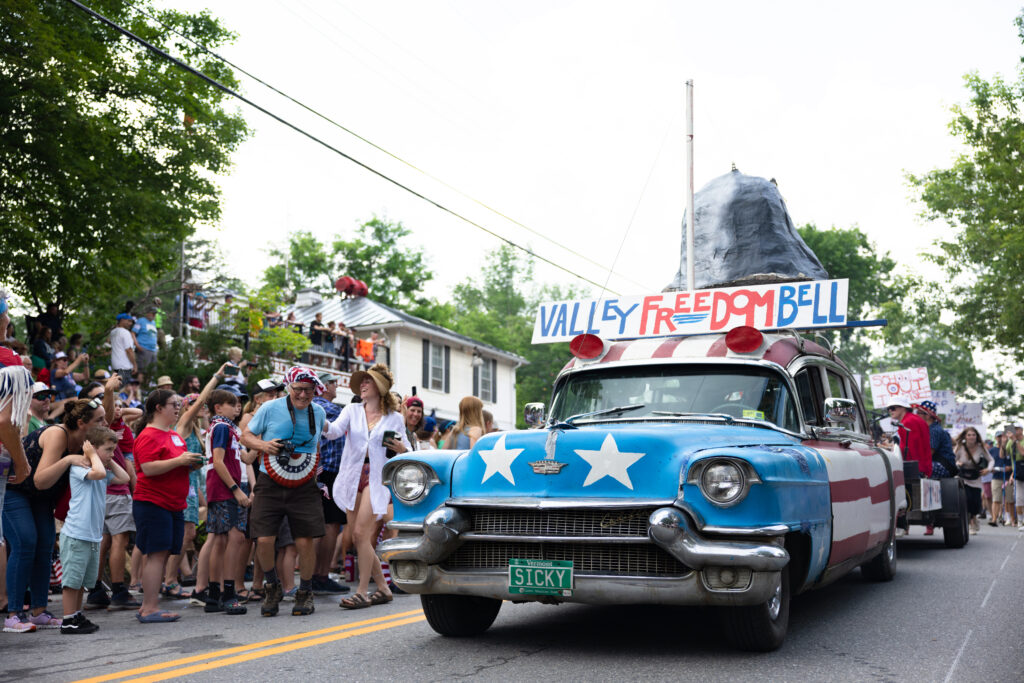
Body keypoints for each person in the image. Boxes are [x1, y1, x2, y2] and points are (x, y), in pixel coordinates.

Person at [3, 399, 106, 633]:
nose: (105, 423)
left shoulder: (85, 442)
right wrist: (68, 459)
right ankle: (14, 614)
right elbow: (40, 480)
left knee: (46, 545)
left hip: (39, 496)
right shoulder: (58, 434)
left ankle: (39, 611)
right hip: (14, 490)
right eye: (99, 419)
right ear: (81, 423)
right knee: (26, 542)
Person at [240, 367, 328, 617]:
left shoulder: (318, 412)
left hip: (305, 483)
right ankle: (271, 585)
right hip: (269, 481)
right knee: (264, 538)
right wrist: (264, 445)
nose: (303, 395)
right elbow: (246, 436)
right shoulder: (269, 408)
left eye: (308, 390)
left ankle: (305, 591)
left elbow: (317, 444)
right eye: (298, 389)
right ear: (288, 387)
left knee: (305, 540)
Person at [331, 364, 410, 609]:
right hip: (352, 476)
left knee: (360, 535)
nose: (363, 385)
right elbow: (333, 432)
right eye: (362, 381)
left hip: (375, 478)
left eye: (368, 381)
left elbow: (407, 450)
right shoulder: (352, 410)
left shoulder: (394, 418)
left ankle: (363, 591)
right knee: (359, 539)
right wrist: (314, 417)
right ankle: (384, 589)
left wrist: (401, 449)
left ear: (380, 387)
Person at [131, 389, 204, 623]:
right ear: (158, 408)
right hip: (153, 502)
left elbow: (173, 464)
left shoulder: (174, 435)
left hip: (173, 504)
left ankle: (150, 606)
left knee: (162, 555)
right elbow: (148, 468)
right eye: (174, 404)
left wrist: (190, 464)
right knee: (156, 555)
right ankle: (149, 608)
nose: (178, 407)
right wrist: (180, 461)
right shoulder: (148, 435)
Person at [60, 426, 130, 634]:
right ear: (91, 448)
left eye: (113, 450)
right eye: (108, 450)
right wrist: (90, 454)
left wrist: (109, 459)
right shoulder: (80, 468)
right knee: (72, 581)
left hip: (91, 535)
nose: (111, 454)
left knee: (81, 581)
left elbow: (125, 478)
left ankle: (76, 614)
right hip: (76, 534)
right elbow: (98, 472)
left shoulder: (102, 470)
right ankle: (68, 619)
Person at [203, 389, 250, 615]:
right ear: (218, 408)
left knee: (221, 540)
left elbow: (246, 457)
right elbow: (219, 461)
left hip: (220, 488)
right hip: (226, 489)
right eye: (232, 404)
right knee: (235, 537)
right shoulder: (222, 427)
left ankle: (214, 595)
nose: (237, 407)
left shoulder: (229, 428)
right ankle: (229, 593)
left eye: (238, 404)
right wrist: (236, 490)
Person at [311, 373, 350, 596]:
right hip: (329, 472)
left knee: (324, 524)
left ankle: (316, 574)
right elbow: (350, 417)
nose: (337, 387)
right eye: (334, 383)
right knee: (331, 524)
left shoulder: (315, 407)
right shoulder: (326, 407)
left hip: (321, 471)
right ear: (325, 386)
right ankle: (320, 575)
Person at [953, 427, 989, 535]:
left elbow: (991, 460)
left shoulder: (981, 447)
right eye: (969, 435)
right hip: (964, 477)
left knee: (976, 500)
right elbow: (952, 459)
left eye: (973, 435)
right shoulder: (959, 447)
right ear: (965, 436)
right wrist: (957, 464)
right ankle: (971, 523)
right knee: (967, 498)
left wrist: (988, 469)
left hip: (976, 477)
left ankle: (974, 517)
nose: (971, 437)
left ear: (977, 436)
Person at [887, 397, 931, 477]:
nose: (890, 410)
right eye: (889, 408)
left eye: (892, 408)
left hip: (914, 469)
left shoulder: (907, 422)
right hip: (922, 468)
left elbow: (909, 449)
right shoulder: (914, 419)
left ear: (903, 407)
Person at [132, 307, 159, 387]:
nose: (154, 315)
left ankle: (146, 388)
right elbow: (133, 333)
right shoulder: (141, 321)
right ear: (148, 313)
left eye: (155, 313)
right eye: (152, 313)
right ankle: (138, 389)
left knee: (151, 371)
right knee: (142, 371)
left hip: (153, 349)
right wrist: (137, 345)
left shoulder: (153, 323)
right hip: (144, 348)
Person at [109, 313, 137, 382]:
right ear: (122, 320)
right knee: (123, 389)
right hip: (125, 367)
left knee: (116, 388)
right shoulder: (125, 332)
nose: (130, 323)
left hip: (115, 366)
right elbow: (129, 350)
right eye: (128, 321)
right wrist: (135, 365)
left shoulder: (113, 332)